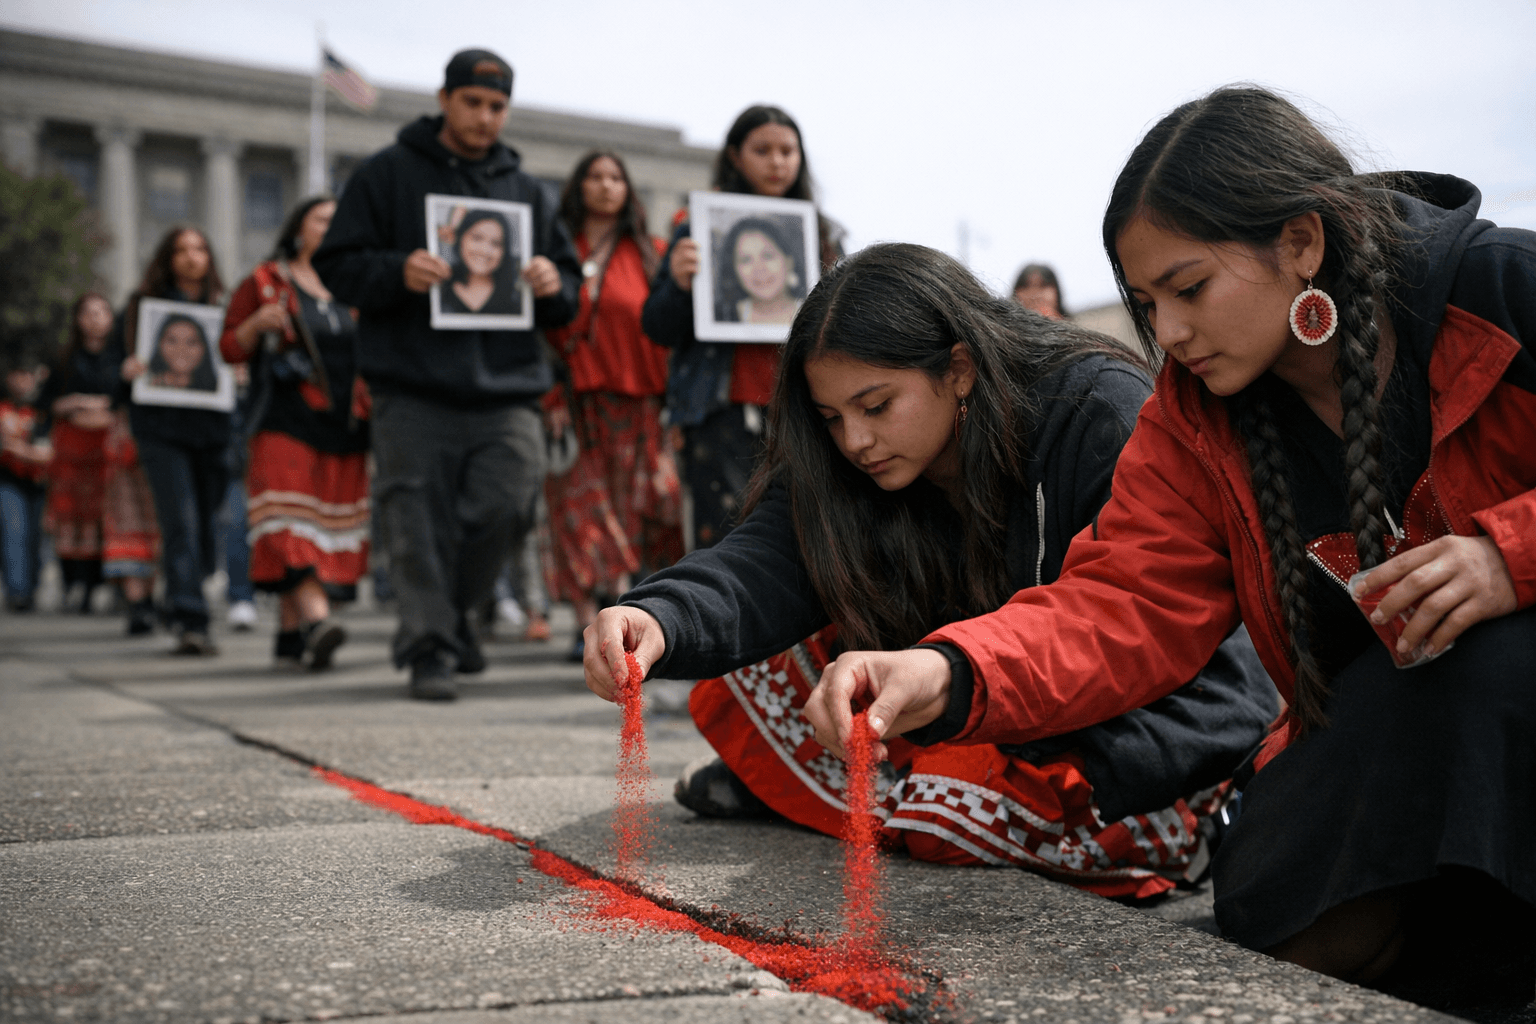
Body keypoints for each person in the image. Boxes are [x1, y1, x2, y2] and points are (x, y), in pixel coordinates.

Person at [800, 87, 1536, 996]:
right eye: (1148, 303)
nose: (1170, 334)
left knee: (1494, 666)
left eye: (1189, 290)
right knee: (1267, 897)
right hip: (1389, 720)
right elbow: (1122, 600)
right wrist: (943, 671)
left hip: (1508, 696)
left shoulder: (1504, 288)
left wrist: (1509, 558)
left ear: (1301, 243)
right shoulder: (1196, 418)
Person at [586, 243, 1278, 899]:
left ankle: (853, 790)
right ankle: (874, 786)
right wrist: (658, 617)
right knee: (754, 668)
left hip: (1124, 723)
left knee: (946, 804)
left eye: (876, 406)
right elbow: (767, 558)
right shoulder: (851, 461)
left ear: (959, 369)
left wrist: (953, 677)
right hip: (966, 686)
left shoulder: (1094, 411)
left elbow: (1120, 622)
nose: (856, 441)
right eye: (831, 418)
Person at [313, 48, 581, 701]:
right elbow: (336, 264)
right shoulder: (387, 173)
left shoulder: (525, 191)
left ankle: (454, 615)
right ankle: (429, 648)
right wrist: (396, 272)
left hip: (507, 389)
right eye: (473, 103)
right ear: (444, 100)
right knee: (417, 521)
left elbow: (568, 290)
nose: (486, 117)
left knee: (509, 501)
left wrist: (554, 283)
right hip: (412, 387)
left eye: (497, 106)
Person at [642, 104, 844, 549]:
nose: (777, 162)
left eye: (787, 151)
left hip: (801, 406)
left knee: (804, 531)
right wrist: (678, 284)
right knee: (727, 537)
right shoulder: (696, 228)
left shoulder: (822, 235)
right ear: (735, 156)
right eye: (762, 150)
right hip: (720, 409)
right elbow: (657, 326)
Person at [221, 196, 370, 671]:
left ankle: (291, 636)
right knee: (285, 519)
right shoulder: (267, 280)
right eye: (323, 219)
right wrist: (254, 325)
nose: (333, 226)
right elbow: (229, 348)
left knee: (325, 530)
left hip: (345, 426)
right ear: (298, 229)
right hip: (283, 419)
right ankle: (318, 619)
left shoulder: (357, 286)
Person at [543, 150, 682, 659]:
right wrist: (549, 396)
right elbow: (541, 331)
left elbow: (670, 328)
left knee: (637, 510)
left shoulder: (652, 253)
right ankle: (586, 623)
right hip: (575, 403)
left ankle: (622, 616)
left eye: (616, 177)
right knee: (577, 509)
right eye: (595, 176)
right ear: (578, 186)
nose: (605, 185)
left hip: (641, 404)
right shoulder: (557, 252)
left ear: (628, 190)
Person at [118, 226, 229, 652]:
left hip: (213, 433)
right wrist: (125, 371)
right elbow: (113, 369)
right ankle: (190, 617)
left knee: (205, 527)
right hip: (161, 432)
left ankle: (181, 597)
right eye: (181, 249)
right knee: (180, 523)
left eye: (199, 248)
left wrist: (239, 370)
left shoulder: (222, 307)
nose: (191, 257)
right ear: (167, 258)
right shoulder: (141, 308)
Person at [40, 293, 118, 614]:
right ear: (77, 319)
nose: (95, 319)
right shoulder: (63, 359)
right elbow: (45, 404)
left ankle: (104, 585)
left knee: (105, 516)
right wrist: (73, 403)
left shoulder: (120, 359)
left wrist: (102, 406)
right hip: (72, 449)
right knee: (71, 517)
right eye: (88, 312)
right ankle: (73, 583)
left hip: (108, 449)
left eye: (102, 312)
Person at [0, 354, 51, 611]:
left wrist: (19, 449)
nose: (22, 381)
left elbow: (50, 452)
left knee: (36, 537)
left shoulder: (43, 412)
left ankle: (31, 588)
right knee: (14, 532)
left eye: (27, 375)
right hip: (8, 480)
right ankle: (18, 592)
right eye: (17, 375)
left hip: (40, 481)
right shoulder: (3, 409)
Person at [717, 216, 806, 325]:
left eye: (768, 256)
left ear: (789, 262)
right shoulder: (723, 316)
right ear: (734, 270)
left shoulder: (815, 314)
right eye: (746, 260)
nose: (759, 269)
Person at [438, 208, 522, 315]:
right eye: (477, 238)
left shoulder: (517, 297)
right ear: (461, 238)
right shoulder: (440, 286)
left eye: (496, 243)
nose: (484, 250)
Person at [146, 315, 218, 391]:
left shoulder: (219, 391)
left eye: (191, 342)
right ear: (160, 344)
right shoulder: (145, 382)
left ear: (203, 348)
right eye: (172, 341)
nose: (181, 349)